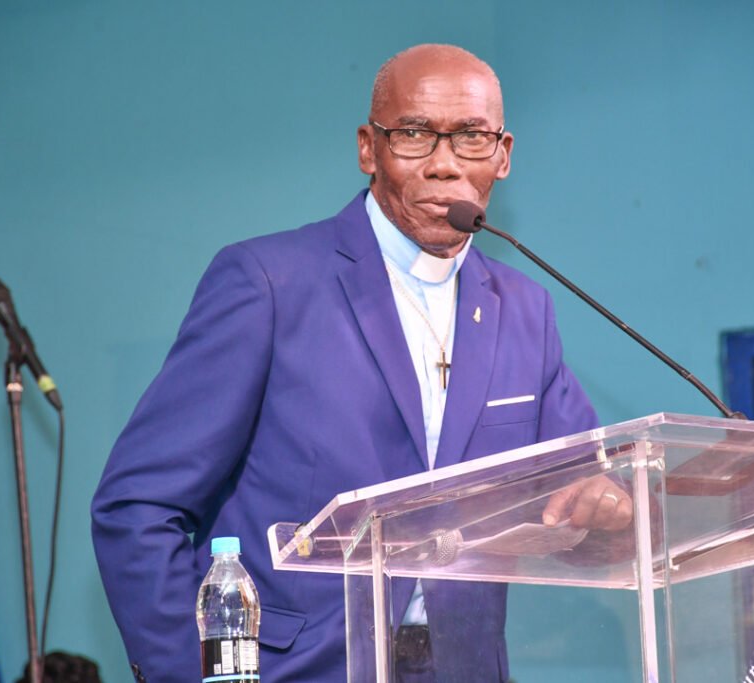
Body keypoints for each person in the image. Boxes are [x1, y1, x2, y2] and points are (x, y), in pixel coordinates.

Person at [92, 43, 629, 683]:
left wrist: (611, 509)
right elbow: (139, 508)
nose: (443, 165)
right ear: (368, 149)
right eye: (413, 135)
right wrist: (196, 673)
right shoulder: (269, 284)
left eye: (470, 139)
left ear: (503, 156)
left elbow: (583, 497)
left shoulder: (525, 312)